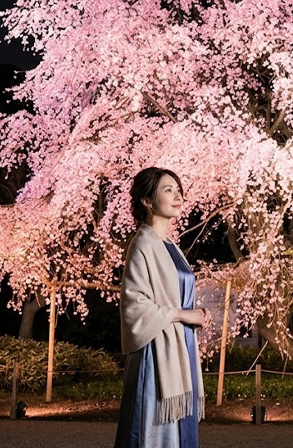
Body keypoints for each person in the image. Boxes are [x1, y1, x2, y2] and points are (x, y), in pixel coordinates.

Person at [114, 167, 210, 448]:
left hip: (180, 348)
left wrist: (197, 313)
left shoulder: (170, 246)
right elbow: (135, 305)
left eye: (179, 190)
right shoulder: (143, 244)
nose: (178, 196)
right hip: (155, 352)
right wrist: (182, 315)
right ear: (147, 200)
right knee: (154, 433)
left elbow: (173, 294)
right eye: (168, 190)